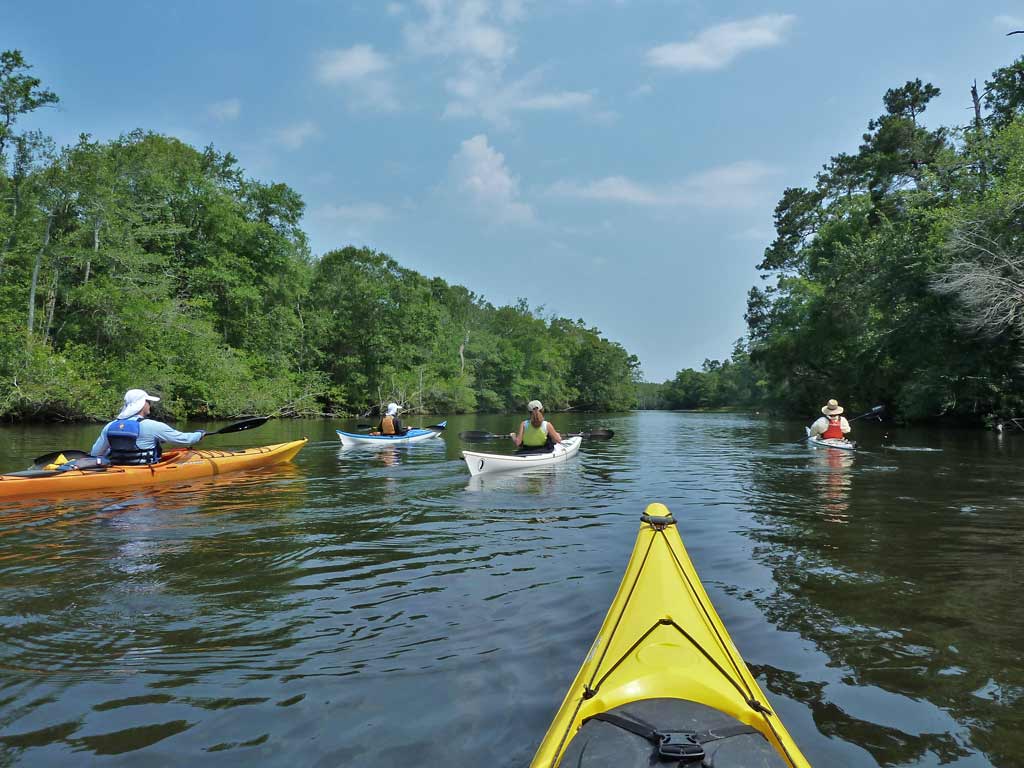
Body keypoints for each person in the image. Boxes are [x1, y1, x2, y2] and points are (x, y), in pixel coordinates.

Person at [91, 389, 205, 465]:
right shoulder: (153, 426)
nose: (150, 404)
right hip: (143, 471)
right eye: (148, 401)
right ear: (142, 404)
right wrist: (199, 434)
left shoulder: (110, 426)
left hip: (117, 469)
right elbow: (185, 440)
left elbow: (95, 453)